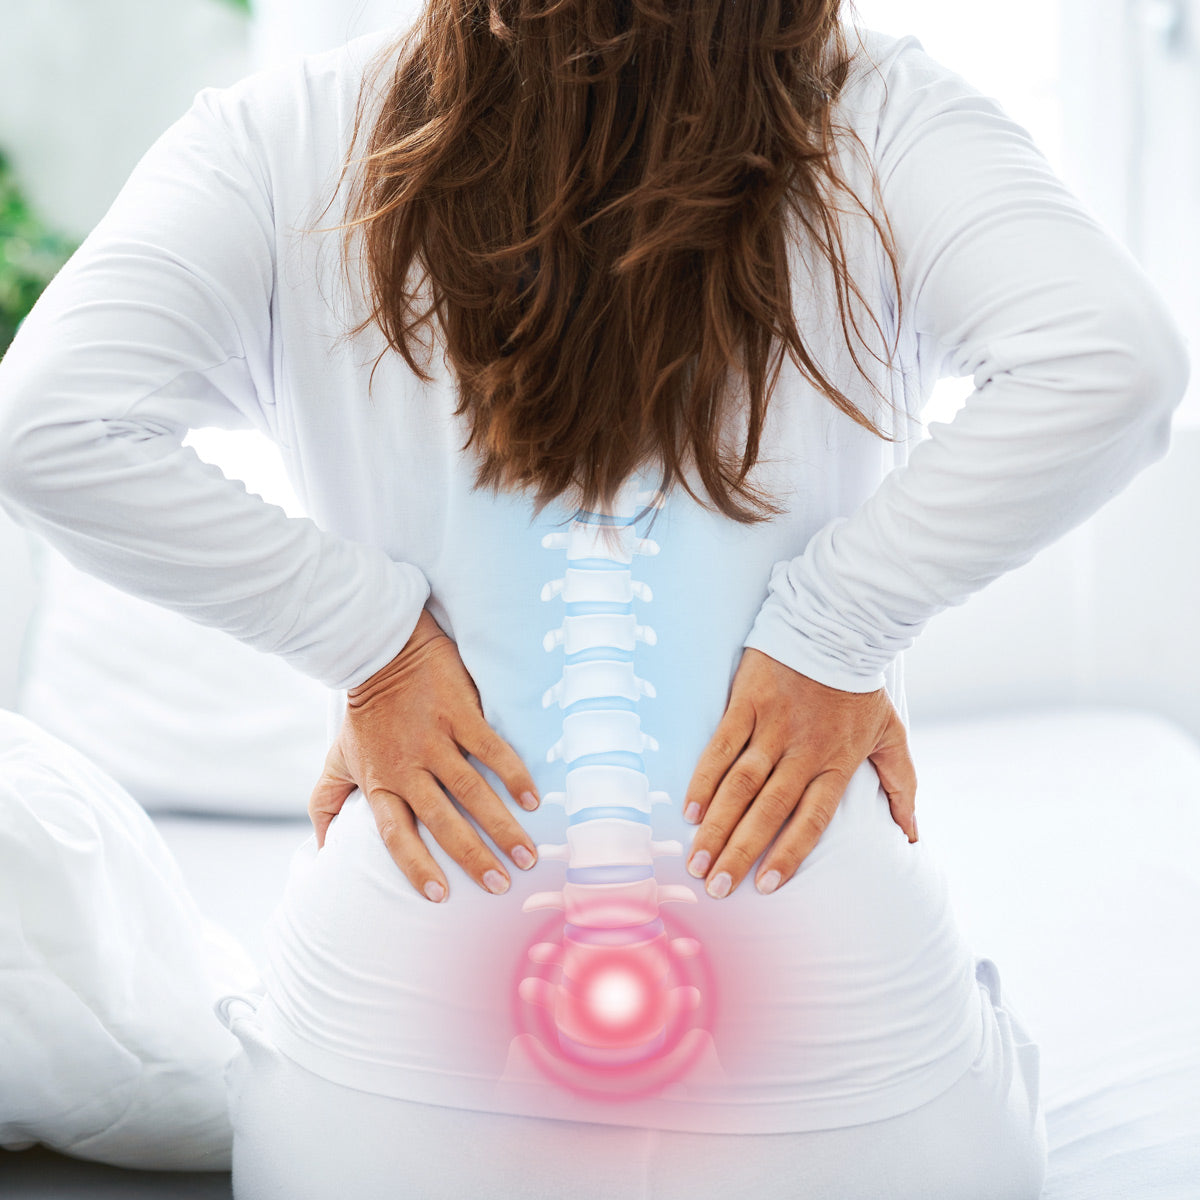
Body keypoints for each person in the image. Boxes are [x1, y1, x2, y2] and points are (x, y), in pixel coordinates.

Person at [0, 3, 1188, 1197]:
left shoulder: (283, 133)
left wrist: (373, 643)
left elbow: (45, 428)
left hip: (391, 1086)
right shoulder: (883, 114)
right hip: (835, 1067)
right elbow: (1115, 362)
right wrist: (835, 631)